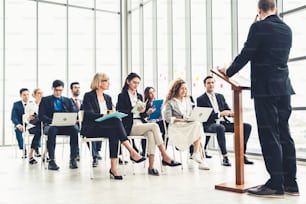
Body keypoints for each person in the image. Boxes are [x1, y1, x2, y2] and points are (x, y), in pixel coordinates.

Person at [220, 0, 299, 197]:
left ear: (259, 10)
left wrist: (227, 72)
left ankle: (275, 184)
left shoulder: (259, 27)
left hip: (266, 89)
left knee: (269, 134)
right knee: (284, 134)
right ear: (275, 8)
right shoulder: (287, 29)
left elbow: (246, 54)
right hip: (284, 88)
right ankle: (291, 183)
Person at [81, 73, 145, 180]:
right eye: (106, 81)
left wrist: (111, 114)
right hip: (91, 128)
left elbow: (110, 112)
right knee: (115, 122)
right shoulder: (88, 96)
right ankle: (132, 151)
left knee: (114, 131)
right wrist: (105, 115)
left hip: (104, 127)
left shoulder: (108, 97)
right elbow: (89, 114)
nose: (108, 83)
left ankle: (114, 169)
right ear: (99, 82)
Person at [116, 72, 181, 176]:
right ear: (128, 82)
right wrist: (133, 110)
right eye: (134, 82)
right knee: (154, 126)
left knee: (151, 134)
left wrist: (146, 113)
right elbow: (120, 112)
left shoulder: (140, 96)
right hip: (130, 125)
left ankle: (151, 167)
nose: (136, 85)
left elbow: (142, 116)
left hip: (140, 123)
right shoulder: (122, 96)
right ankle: (164, 155)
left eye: (138, 83)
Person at [197, 76, 253, 166]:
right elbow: (204, 117)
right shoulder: (200, 99)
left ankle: (242, 155)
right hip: (210, 124)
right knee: (220, 127)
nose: (211, 85)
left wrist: (232, 113)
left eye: (212, 82)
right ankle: (225, 157)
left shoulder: (220, 96)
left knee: (247, 126)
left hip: (224, 123)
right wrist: (220, 114)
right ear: (205, 85)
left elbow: (228, 109)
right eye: (208, 83)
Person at [163, 78, 209, 170]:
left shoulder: (187, 100)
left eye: (185, 88)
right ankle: (199, 157)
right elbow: (168, 119)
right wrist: (182, 120)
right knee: (197, 127)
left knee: (197, 124)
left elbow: (190, 113)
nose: (184, 91)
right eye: (182, 88)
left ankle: (197, 155)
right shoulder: (170, 102)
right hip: (176, 127)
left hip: (188, 125)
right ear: (176, 89)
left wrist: (192, 117)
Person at [39, 80, 79, 171]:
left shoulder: (68, 100)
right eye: (56, 90)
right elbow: (41, 115)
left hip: (65, 125)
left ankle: (73, 159)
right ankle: (51, 160)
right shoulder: (45, 100)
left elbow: (74, 112)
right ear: (52, 89)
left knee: (75, 129)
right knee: (52, 130)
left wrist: (69, 118)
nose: (58, 92)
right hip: (51, 125)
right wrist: (52, 120)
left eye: (60, 90)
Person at [24, 88, 44, 164]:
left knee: (50, 131)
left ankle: (45, 154)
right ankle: (31, 155)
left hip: (43, 126)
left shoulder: (45, 105)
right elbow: (25, 118)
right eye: (39, 93)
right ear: (34, 95)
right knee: (39, 130)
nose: (41, 95)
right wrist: (29, 118)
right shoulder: (30, 105)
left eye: (42, 93)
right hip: (32, 127)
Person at [11, 88, 30, 158]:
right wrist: (18, 125)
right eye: (24, 95)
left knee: (38, 130)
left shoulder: (32, 103)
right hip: (20, 124)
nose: (26, 96)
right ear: (21, 96)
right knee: (17, 130)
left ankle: (36, 149)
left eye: (28, 94)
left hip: (30, 124)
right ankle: (23, 149)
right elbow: (13, 117)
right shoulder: (16, 104)